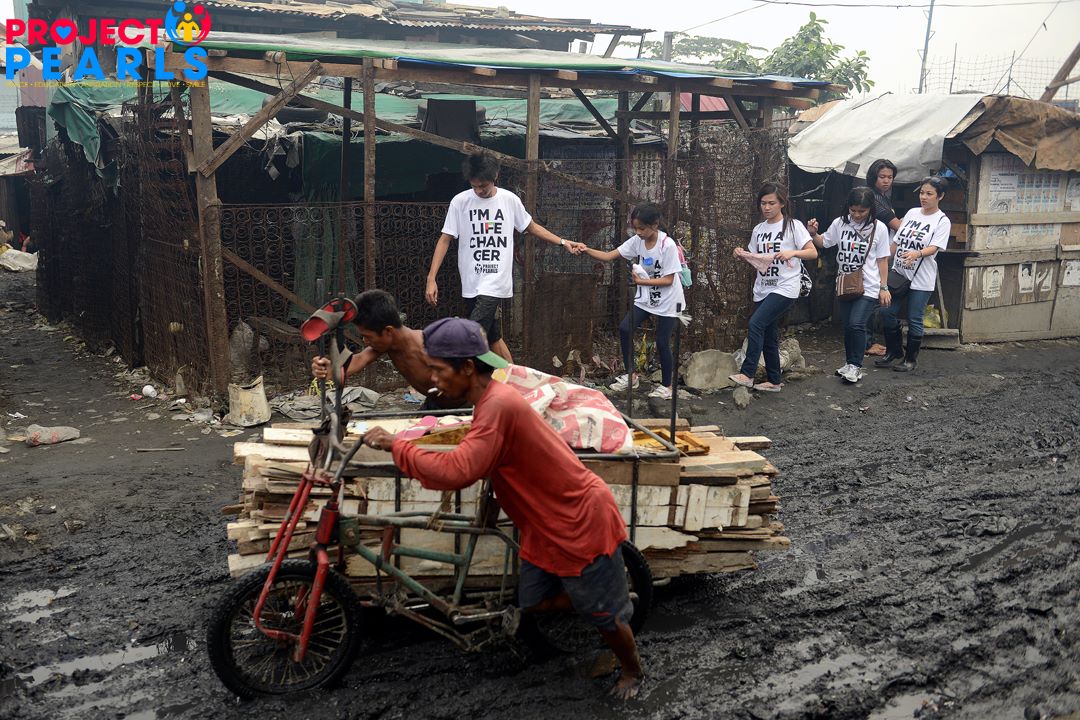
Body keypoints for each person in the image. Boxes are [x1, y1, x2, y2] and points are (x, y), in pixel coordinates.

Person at [362, 317, 645, 699]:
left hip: (577, 518)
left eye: (439, 370)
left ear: (467, 367)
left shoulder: (498, 404)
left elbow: (459, 469)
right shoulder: (487, 401)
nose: (433, 379)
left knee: (604, 617)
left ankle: (631, 668)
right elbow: (499, 459)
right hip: (542, 523)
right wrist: (494, 499)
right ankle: (596, 601)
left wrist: (397, 445)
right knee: (533, 602)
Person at [425, 152, 585, 364]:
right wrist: (431, 278)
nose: (479, 190)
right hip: (471, 281)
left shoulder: (509, 200)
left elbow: (531, 227)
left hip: (495, 280)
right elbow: (445, 239)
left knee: (471, 334)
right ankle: (512, 374)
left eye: (483, 186)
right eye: (474, 186)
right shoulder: (460, 202)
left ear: (496, 176)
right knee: (492, 336)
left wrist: (563, 242)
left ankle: (450, 375)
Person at [579, 203, 685, 400]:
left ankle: (667, 386)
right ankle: (631, 376)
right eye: (635, 228)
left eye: (642, 228)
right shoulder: (637, 241)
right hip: (646, 298)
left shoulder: (667, 245)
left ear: (655, 225)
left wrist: (642, 282)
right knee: (625, 328)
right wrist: (585, 249)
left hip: (669, 299)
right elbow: (609, 256)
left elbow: (669, 280)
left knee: (662, 341)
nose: (638, 232)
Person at [729, 182, 818, 393]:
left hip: (785, 286)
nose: (767, 207)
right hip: (763, 287)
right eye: (763, 203)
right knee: (769, 335)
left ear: (782, 203)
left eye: (771, 203)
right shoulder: (759, 229)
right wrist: (740, 253)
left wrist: (793, 252)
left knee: (756, 323)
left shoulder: (793, 225)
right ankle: (774, 381)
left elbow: (812, 252)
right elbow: (755, 258)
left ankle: (747, 373)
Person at [311, 289, 463, 409]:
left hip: (463, 407)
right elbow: (359, 360)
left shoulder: (427, 347)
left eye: (368, 336)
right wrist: (329, 369)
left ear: (388, 331)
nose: (365, 341)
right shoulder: (386, 344)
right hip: (434, 404)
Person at [807, 186, 892, 384]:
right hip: (845, 283)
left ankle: (856, 365)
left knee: (856, 324)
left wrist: (884, 287)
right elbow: (824, 242)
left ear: (870, 208)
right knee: (848, 326)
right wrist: (813, 233)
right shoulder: (840, 223)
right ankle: (849, 363)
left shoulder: (879, 228)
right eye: (853, 210)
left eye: (862, 211)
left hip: (869, 284)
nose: (857, 215)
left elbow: (882, 260)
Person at [876, 176, 952, 372]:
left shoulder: (942, 221)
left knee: (914, 317)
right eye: (922, 193)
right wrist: (883, 259)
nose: (923, 197)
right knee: (886, 312)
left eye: (929, 194)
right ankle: (894, 351)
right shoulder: (911, 213)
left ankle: (910, 359)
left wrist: (917, 253)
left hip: (921, 277)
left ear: (940, 196)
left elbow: (935, 247)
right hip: (899, 273)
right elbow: (897, 241)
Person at [864, 159, 902, 357]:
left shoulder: (883, 197)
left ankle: (868, 340)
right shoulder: (874, 200)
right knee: (871, 297)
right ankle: (866, 343)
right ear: (874, 177)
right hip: (873, 255)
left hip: (879, 252)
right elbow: (898, 226)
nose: (886, 181)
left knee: (873, 297)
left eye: (890, 177)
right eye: (882, 177)